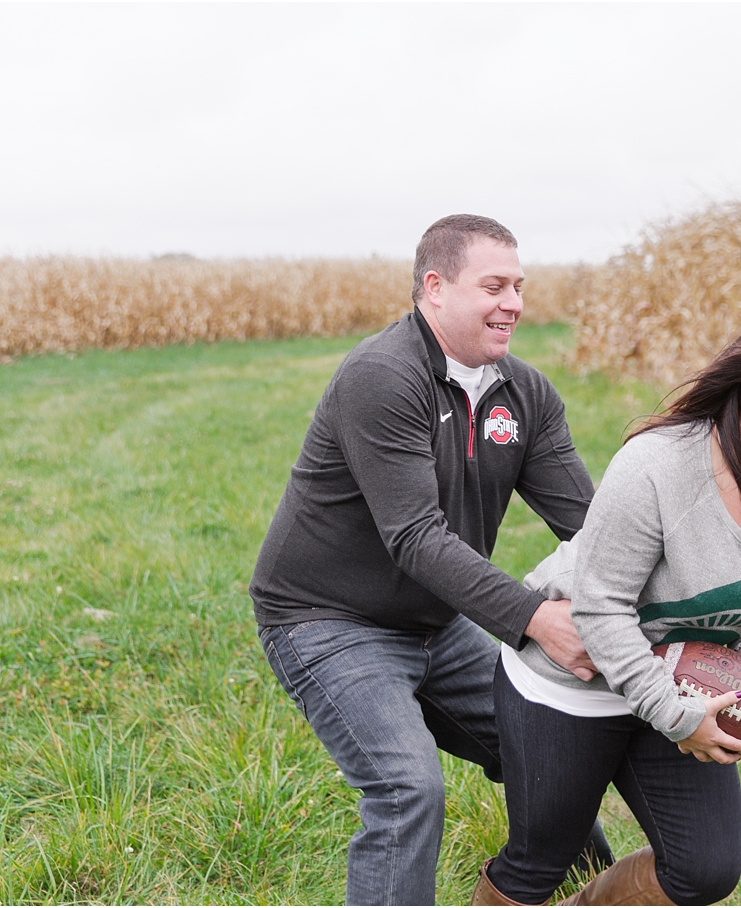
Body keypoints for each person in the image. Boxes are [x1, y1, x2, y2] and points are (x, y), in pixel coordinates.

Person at [252, 214, 611, 905]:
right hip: (327, 621)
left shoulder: (525, 394)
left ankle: (590, 891)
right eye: (494, 286)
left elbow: (592, 529)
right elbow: (415, 536)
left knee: (547, 744)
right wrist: (536, 619)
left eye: (519, 286)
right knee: (407, 785)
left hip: (435, 622)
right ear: (435, 288)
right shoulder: (384, 376)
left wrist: (680, 599)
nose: (513, 303)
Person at [471, 312, 741, 906]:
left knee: (707, 868)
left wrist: (734, 661)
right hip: (571, 677)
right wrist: (674, 714)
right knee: (541, 863)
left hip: (686, 684)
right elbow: (602, 607)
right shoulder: (659, 466)